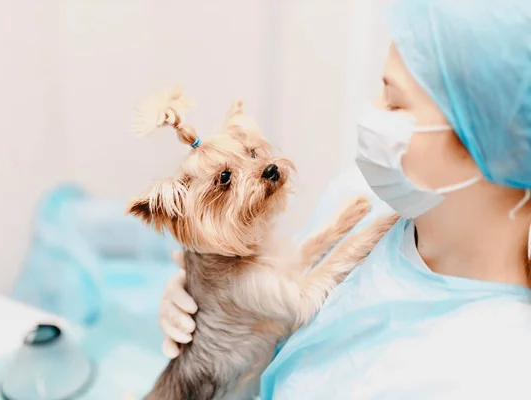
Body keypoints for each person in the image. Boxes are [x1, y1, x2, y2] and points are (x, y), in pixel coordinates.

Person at [156, 0, 531, 398]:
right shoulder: (360, 195)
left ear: (493, 142)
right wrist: (220, 309)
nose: (372, 114)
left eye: (395, 103)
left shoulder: (498, 367)